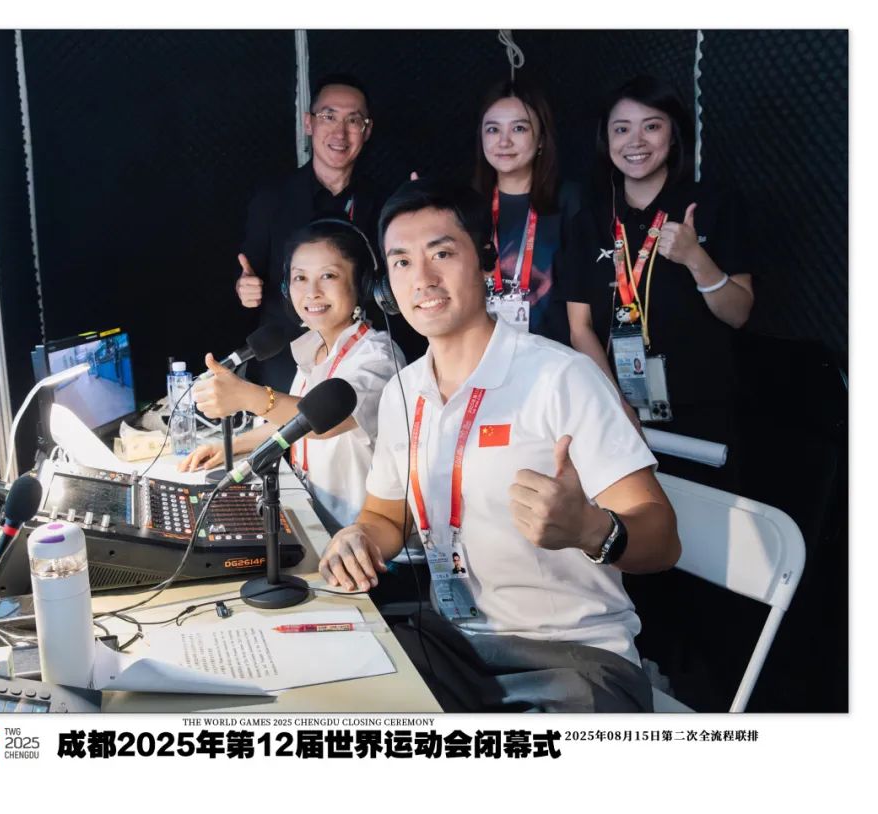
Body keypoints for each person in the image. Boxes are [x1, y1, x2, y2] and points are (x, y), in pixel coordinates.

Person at [318, 178, 680, 712]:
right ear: (385, 288)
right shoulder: (402, 392)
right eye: (402, 262)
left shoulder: (561, 378)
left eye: (442, 253)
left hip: (575, 659)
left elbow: (663, 540)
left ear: (486, 263)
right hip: (454, 648)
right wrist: (359, 539)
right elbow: (384, 517)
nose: (423, 278)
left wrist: (591, 529)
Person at [563, 75, 753, 489]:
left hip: (701, 411)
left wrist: (695, 258)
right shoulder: (589, 221)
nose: (635, 141)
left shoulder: (714, 205)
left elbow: (739, 313)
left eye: (651, 126)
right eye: (621, 129)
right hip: (615, 411)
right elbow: (580, 328)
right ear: (606, 139)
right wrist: (615, 405)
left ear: (673, 134)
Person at [185, 219, 404, 531]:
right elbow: (292, 424)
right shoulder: (314, 347)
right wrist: (231, 446)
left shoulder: (378, 357)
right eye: (300, 278)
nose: (312, 292)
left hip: (362, 538)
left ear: (362, 284)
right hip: (315, 523)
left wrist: (247, 396)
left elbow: (324, 424)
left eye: (328, 276)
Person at [235, 74, 382, 389]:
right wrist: (243, 289)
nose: (340, 131)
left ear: (367, 130)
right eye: (329, 116)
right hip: (284, 364)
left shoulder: (384, 202)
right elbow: (246, 273)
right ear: (308, 123)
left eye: (353, 120)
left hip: (360, 361)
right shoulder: (271, 200)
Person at [472, 79, 580, 344]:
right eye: (493, 129)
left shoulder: (571, 200)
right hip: (482, 355)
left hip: (553, 357)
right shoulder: (464, 204)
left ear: (541, 139)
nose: (504, 141)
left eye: (519, 128)